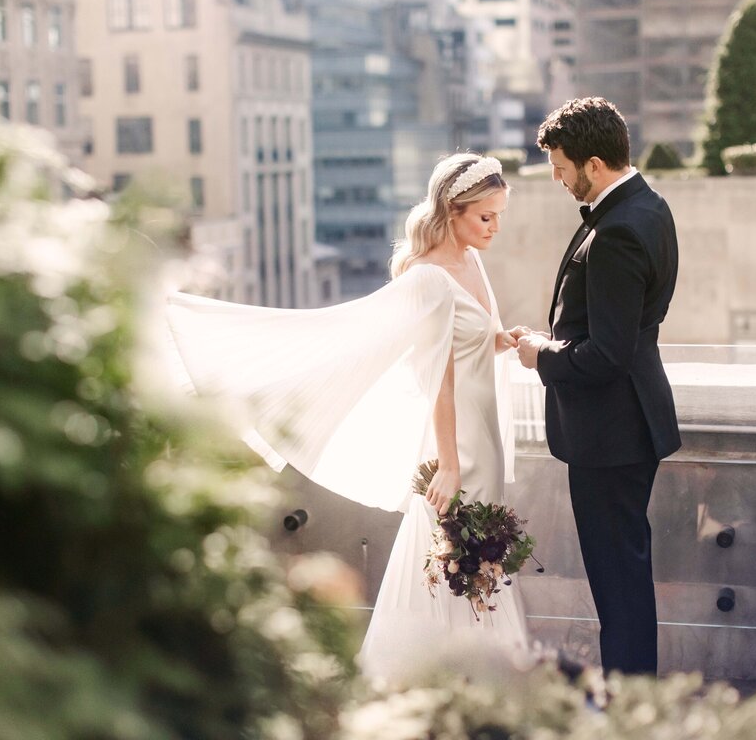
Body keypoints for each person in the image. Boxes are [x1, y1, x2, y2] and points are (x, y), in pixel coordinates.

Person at [167, 152, 529, 681]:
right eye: (485, 217)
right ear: (453, 211)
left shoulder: (472, 261)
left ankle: (479, 680)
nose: (495, 228)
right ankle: (431, 682)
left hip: (486, 440)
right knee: (444, 567)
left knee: (481, 571)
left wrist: (504, 339)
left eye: (499, 216)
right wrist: (448, 465)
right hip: (454, 448)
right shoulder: (428, 280)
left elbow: (474, 343)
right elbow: (439, 381)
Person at [512, 97, 680, 676]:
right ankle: (635, 699)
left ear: (594, 162)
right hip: (627, 426)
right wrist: (554, 338)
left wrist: (540, 356)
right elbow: (612, 330)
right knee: (624, 578)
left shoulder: (618, 231)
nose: (558, 180)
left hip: (612, 434)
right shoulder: (649, 207)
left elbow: (608, 354)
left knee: (618, 586)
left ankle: (628, 705)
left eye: (561, 168)